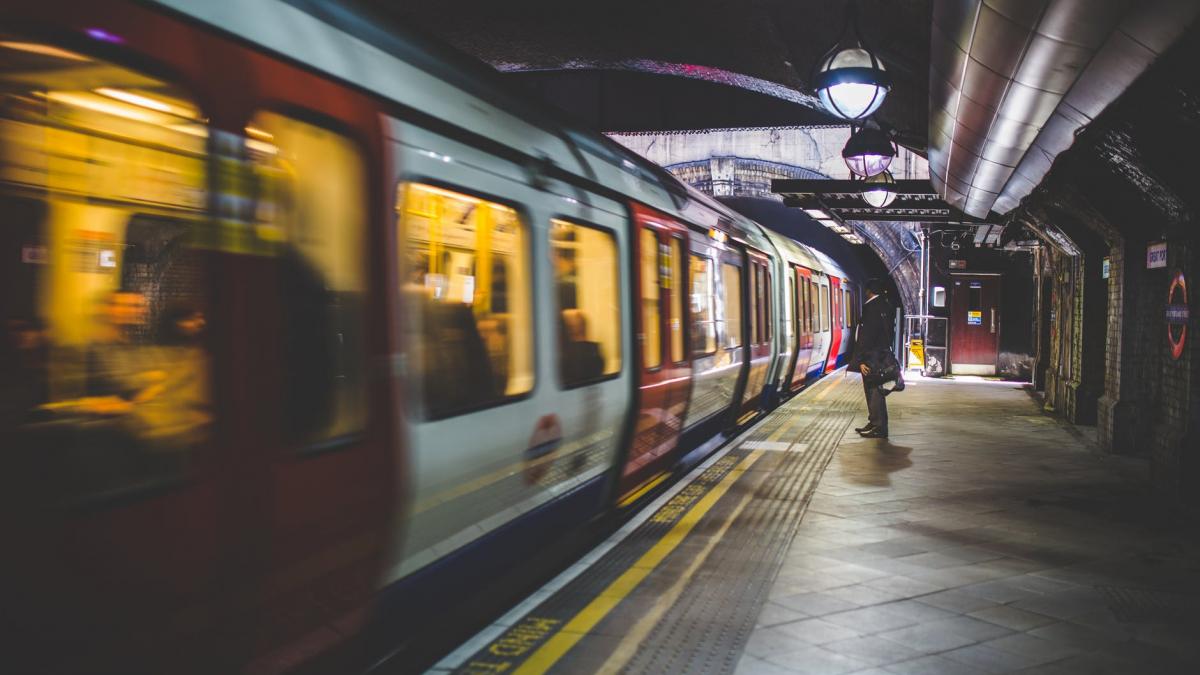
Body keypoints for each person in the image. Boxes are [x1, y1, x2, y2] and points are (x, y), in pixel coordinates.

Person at [849, 278, 895, 439]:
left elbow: (867, 336)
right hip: (880, 355)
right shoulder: (885, 305)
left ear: (869, 291)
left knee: (873, 391)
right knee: (875, 390)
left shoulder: (872, 307)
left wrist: (861, 360)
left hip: (872, 357)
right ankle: (874, 421)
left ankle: (878, 426)